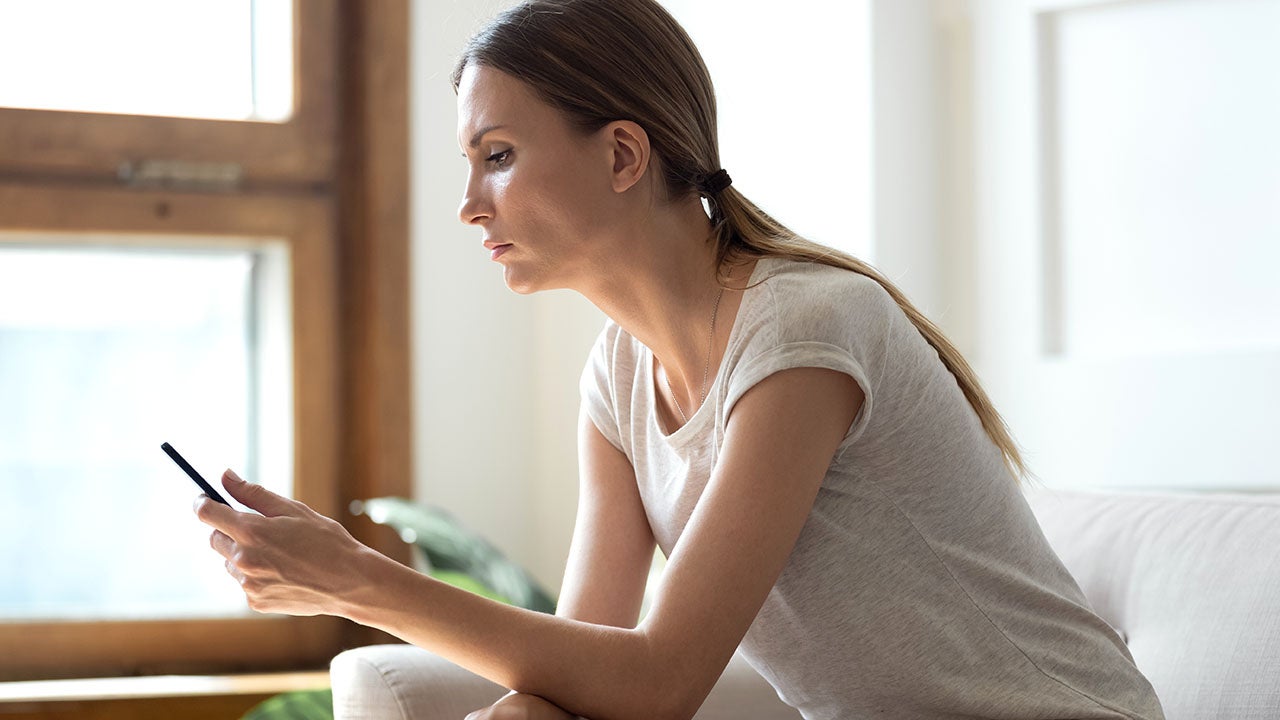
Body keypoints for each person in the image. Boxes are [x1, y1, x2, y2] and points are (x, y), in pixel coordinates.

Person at [194, 1, 1167, 718]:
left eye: (496, 156)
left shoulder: (804, 333)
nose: (468, 204)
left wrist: (358, 581)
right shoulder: (615, 380)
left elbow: (656, 683)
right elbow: (581, 674)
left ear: (623, 156)